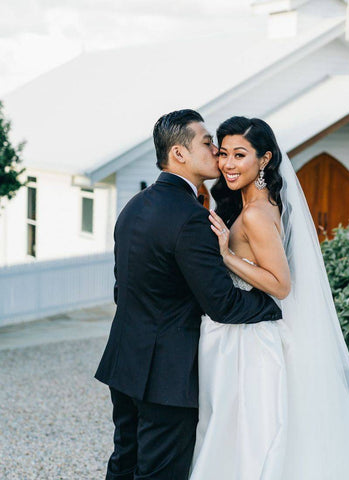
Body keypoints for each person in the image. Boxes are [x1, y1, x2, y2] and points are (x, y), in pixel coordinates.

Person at [189, 116, 349, 479]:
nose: (227, 163)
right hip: (239, 332)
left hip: (248, 340)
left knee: (247, 432)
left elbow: (280, 284)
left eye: (240, 154)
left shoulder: (256, 213)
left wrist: (226, 257)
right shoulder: (255, 204)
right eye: (223, 153)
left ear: (265, 159)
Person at [94, 109, 282, 480]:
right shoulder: (190, 217)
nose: (217, 152)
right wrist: (272, 307)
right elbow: (222, 305)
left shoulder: (135, 205)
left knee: (124, 462)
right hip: (166, 375)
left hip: (124, 361)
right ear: (180, 154)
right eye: (208, 143)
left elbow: (123, 289)